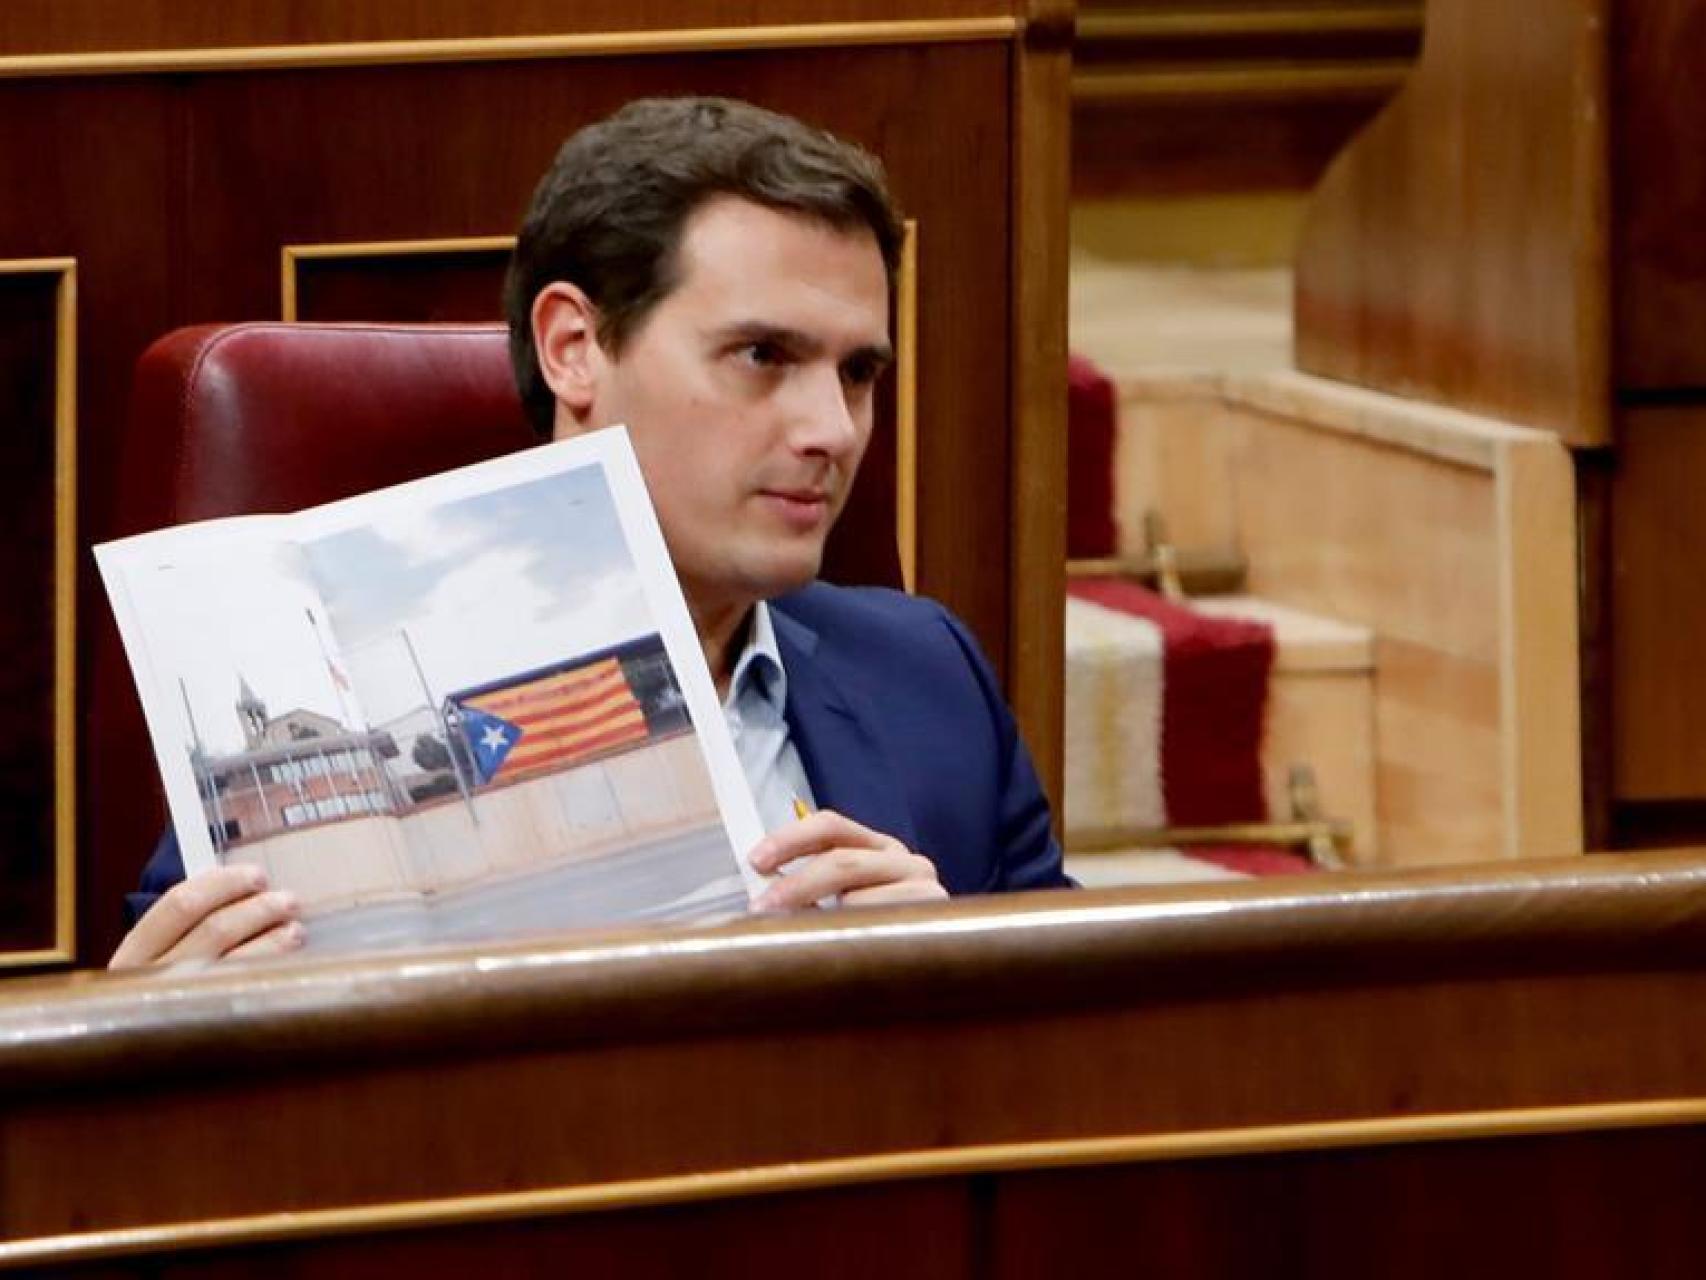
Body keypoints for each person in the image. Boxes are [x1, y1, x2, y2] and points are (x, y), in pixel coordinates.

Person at [110, 97, 1069, 970]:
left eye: (857, 373)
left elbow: (1085, 1060)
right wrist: (146, 1022)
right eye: (761, 355)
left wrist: (961, 984)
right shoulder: (350, 716)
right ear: (574, 348)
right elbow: (169, 1061)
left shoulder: (930, 678)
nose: (834, 429)